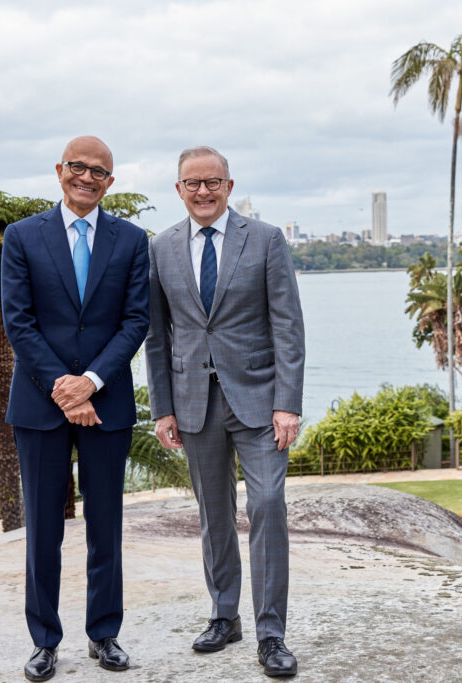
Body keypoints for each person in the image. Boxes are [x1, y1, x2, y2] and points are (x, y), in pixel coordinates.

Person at [144, 146, 305, 678]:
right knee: (214, 515)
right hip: (194, 403)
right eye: (193, 183)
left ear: (229, 187)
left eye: (213, 182)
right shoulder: (161, 248)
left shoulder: (264, 240)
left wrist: (288, 403)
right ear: (179, 189)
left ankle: (271, 632)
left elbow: (288, 327)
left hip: (260, 402)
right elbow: (158, 337)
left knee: (267, 505)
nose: (203, 192)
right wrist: (162, 407)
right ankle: (223, 615)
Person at [1, 135, 150, 682]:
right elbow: (18, 321)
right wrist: (64, 388)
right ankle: (44, 641)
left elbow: (136, 321)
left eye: (99, 172)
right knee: (43, 529)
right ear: (59, 170)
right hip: (39, 407)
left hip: (107, 402)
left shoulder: (133, 241)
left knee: (105, 524)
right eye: (78, 167)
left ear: (111, 182)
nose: (87, 177)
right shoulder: (22, 237)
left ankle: (103, 633)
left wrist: (89, 383)